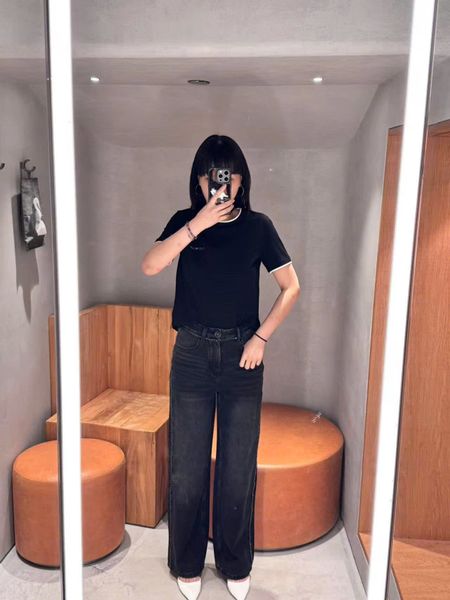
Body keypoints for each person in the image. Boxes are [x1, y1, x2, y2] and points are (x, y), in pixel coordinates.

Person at [141, 134, 301, 600]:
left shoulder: (258, 227)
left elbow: (291, 286)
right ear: (199, 181)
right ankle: (187, 563)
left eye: (228, 177)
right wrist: (198, 224)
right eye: (212, 178)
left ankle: (234, 561)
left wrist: (261, 338)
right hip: (191, 354)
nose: (220, 186)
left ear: (241, 181)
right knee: (187, 470)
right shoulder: (183, 222)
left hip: (240, 358)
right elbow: (150, 265)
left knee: (237, 470)